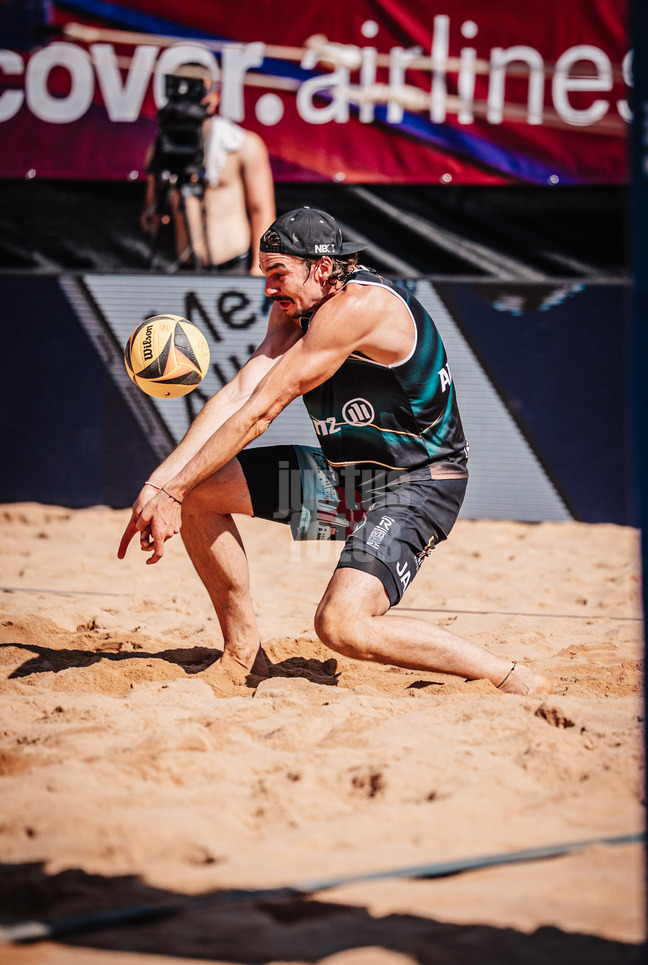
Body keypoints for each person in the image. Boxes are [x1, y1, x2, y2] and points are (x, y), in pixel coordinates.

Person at [119, 207, 553, 697]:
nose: (269, 289)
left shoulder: (358, 308)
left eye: (278, 274)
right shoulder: (296, 307)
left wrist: (171, 489)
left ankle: (509, 676)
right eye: (265, 274)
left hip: (419, 485)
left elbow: (262, 412)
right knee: (199, 491)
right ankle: (243, 657)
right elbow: (242, 392)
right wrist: (164, 482)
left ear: (321, 268)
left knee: (341, 626)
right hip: (345, 482)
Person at [141, 65, 275, 274]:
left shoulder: (242, 144)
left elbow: (262, 211)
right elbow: (151, 211)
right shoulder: (161, 148)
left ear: (214, 96)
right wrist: (157, 209)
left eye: (196, 93)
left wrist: (259, 269)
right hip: (184, 267)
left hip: (233, 265)